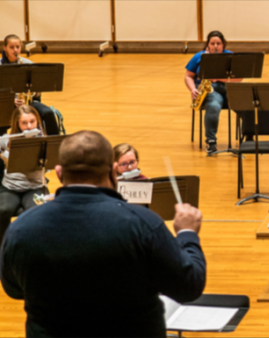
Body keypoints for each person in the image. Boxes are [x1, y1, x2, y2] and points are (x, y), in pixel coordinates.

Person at [0, 130, 206, 336]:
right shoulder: (143, 223)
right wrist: (187, 232)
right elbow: (188, 286)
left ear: (60, 173)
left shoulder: (22, 227)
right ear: (113, 171)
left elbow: (13, 289)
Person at [184, 30, 237, 155]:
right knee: (213, 105)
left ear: (223, 44)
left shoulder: (231, 56)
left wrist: (218, 77)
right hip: (210, 89)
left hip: (230, 88)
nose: (215, 46)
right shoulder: (199, 56)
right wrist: (193, 89)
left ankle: (248, 137)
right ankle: (211, 141)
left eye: (218, 43)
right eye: (212, 43)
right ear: (207, 44)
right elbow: (188, 76)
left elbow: (238, 79)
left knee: (247, 103)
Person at [0, 106, 47, 242]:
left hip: (34, 187)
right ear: (17, 124)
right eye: (24, 123)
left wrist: (3, 155)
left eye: (32, 121)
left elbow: (25, 161)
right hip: (10, 187)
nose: (29, 126)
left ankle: (30, 245)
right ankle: (4, 246)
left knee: (36, 212)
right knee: (2, 210)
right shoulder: (7, 139)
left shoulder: (43, 142)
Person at [1, 34, 62, 136]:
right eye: (11, 47)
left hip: (27, 102)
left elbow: (36, 92)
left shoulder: (28, 64)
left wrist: (37, 91)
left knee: (48, 113)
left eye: (18, 47)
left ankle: (55, 144)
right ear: (5, 48)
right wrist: (12, 101)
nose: (15, 50)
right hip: (6, 105)